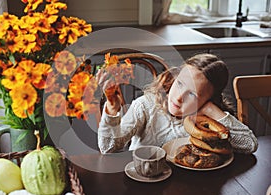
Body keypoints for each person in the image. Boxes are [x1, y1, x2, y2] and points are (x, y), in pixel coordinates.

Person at [97, 53, 258, 154]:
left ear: (208, 100)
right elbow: (108, 147)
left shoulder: (206, 121)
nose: (179, 97)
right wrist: (112, 107)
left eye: (192, 94)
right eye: (180, 83)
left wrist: (211, 110)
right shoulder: (146, 106)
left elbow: (249, 144)